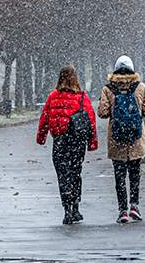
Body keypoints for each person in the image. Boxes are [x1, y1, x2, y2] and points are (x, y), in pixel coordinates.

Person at [36, 65, 98, 224]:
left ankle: (67, 209)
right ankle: (76, 206)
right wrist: (92, 142)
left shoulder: (53, 96)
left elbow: (44, 118)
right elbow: (90, 120)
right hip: (77, 141)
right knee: (76, 173)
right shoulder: (82, 97)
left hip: (60, 141)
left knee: (63, 175)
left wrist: (41, 137)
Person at [98, 55, 145, 224]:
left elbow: (102, 112)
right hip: (136, 139)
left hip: (116, 139)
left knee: (120, 175)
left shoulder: (108, 89)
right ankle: (134, 206)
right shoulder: (141, 87)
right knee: (135, 174)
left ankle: (122, 210)